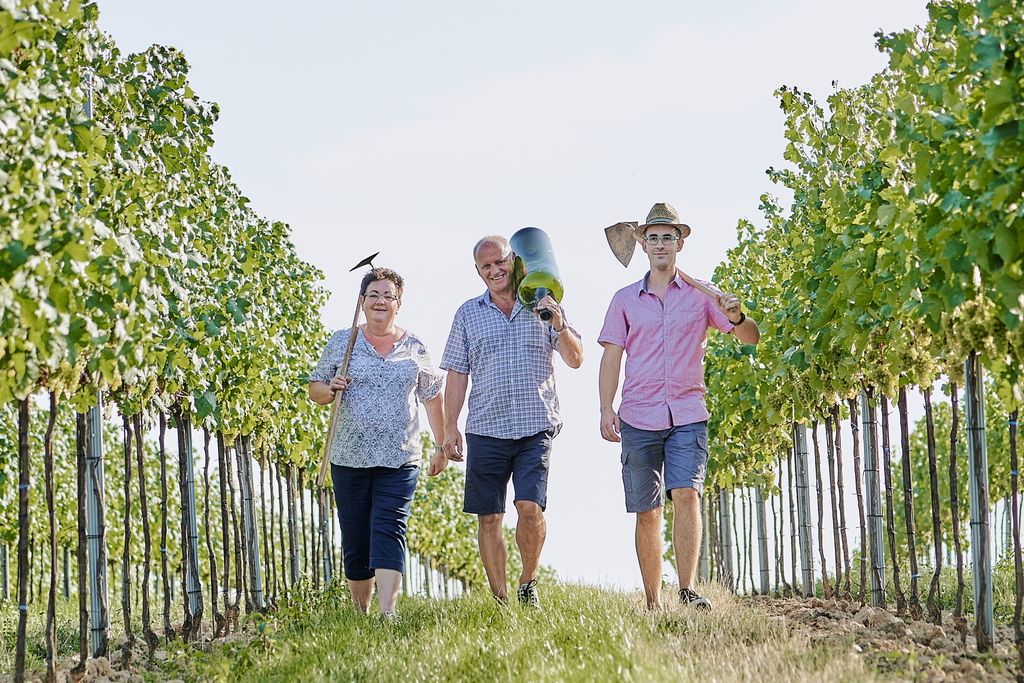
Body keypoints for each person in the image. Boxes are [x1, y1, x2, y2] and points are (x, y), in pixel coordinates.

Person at [598, 203, 760, 611]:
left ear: (680, 243)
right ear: (643, 244)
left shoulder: (704, 296)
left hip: (688, 412)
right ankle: (653, 600)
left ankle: (686, 590)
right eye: (652, 237)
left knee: (687, 494)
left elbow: (751, 338)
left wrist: (737, 316)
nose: (660, 244)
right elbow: (611, 356)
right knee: (648, 510)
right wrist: (605, 407)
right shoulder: (624, 300)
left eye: (667, 237)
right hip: (638, 414)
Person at [441, 234, 583, 607]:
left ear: (515, 261)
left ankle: (527, 583)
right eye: (485, 266)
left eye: (500, 262)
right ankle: (501, 599)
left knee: (529, 507)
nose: (494, 271)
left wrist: (559, 324)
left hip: (535, 424)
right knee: (489, 517)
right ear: (478, 271)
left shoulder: (543, 303)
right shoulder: (467, 313)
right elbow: (457, 373)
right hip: (485, 428)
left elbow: (576, 359)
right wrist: (449, 427)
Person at [308, 267, 447, 618]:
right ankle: (360, 613)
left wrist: (443, 444)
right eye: (374, 295)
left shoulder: (414, 346)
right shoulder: (343, 341)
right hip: (349, 456)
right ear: (362, 301)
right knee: (356, 537)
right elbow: (316, 390)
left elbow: (431, 396)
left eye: (388, 295)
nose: (381, 301)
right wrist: (331, 388)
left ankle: (388, 612)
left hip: (400, 457)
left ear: (399, 303)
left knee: (390, 528)